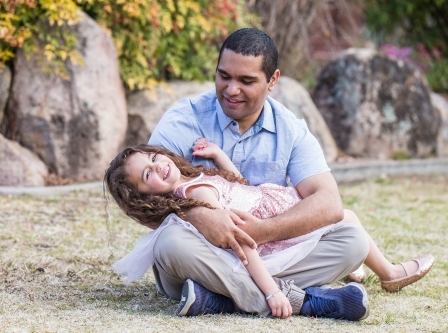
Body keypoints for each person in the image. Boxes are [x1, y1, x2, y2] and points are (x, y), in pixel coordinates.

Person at [143, 27, 431, 319]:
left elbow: (328, 202)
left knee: (353, 243)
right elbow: (137, 191)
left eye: (246, 80)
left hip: (268, 253)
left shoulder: (291, 130)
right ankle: (301, 300)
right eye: (224, 76)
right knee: (170, 244)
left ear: (273, 81)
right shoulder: (183, 119)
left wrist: (264, 230)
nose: (231, 90)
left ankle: (218, 299)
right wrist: (201, 216)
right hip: (201, 253)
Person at [105, 140, 434, 319]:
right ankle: (301, 300)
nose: (158, 166)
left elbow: (240, 187)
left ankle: (217, 301)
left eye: (152, 157)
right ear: (143, 198)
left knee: (350, 230)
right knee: (346, 218)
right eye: (148, 175)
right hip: (259, 251)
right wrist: (273, 292)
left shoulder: (193, 176)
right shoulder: (195, 194)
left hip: (271, 217)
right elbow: (243, 242)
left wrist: (220, 156)